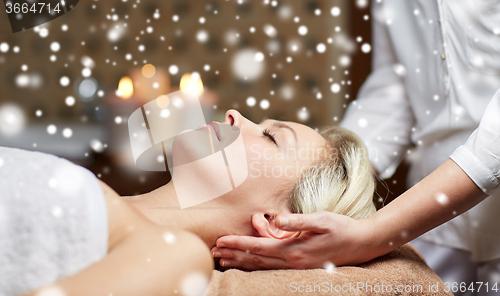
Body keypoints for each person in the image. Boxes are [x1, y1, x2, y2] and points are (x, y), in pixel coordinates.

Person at [212, 1, 500, 293]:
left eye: (271, 137)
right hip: (437, 223)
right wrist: (331, 180)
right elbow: (397, 83)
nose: (232, 115)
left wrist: (369, 235)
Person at [0, 109, 377, 296]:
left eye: (271, 137)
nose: (234, 114)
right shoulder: (97, 194)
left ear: (278, 223)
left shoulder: (176, 255)